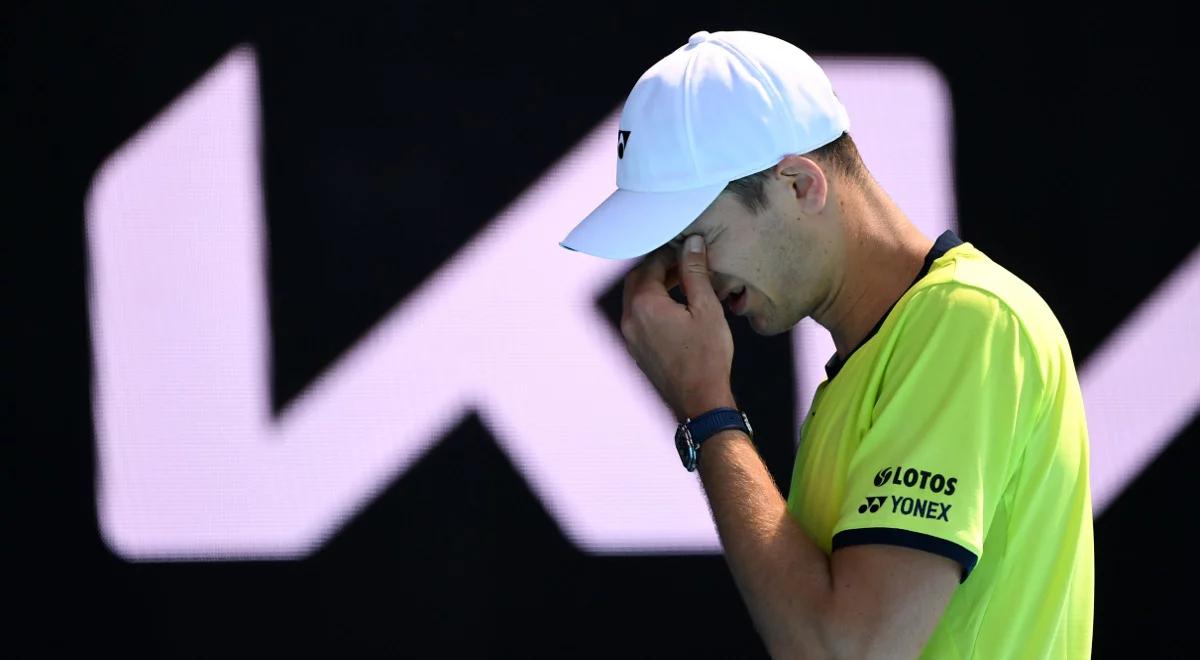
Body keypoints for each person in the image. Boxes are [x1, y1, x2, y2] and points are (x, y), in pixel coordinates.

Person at [558, 30, 1093, 659]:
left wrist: (706, 408)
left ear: (799, 185)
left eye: (698, 239)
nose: (685, 275)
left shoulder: (969, 321)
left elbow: (848, 651)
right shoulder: (893, 351)